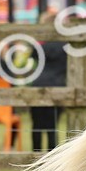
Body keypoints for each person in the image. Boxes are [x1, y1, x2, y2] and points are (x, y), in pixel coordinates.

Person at [30, 11, 68, 153]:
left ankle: (36, 155)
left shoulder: (40, 46)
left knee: (37, 124)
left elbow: (31, 57)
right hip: (58, 84)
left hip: (38, 85)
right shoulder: (66, 46)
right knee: (53, 125)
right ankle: (52, 155)